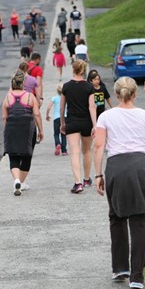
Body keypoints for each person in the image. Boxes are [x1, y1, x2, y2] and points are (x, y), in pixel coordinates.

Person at [93, 76, 145, 289]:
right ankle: (137, 276)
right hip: (140, 165)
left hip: (116, 167)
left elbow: (98, 147)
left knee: (116, 215)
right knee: (139, 220)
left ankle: (120, 267)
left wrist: (98, 175)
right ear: (135, 94)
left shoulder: (105, 116)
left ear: (116, 94)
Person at [2, 70, 43, 196]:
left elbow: (4, 117)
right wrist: (41, 130)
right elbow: (36, 114)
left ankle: (16, 180)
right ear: (23, 83)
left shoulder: (7, 97)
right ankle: (22, 182)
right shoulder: (30, 96)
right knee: (26, 155)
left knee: (13, 156)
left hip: (11, 127)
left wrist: (7, 130)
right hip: (28, 128)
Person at [60, 60, 97, 194]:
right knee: (86, 150)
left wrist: (63, 123)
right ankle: (87, 179)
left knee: (74, 152)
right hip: (86, 122)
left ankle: (78, 183)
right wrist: (95, 125)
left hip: (72, 122)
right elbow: (92, 107)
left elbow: (62, 107)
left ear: (73, 69)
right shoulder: (89, 87)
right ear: (83, 70)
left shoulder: (66, 86)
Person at [46, 84, 68, 156]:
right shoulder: (67, 98)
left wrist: (47, 115)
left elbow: (49, 107)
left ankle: (58, 144)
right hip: (65, 118)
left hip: (56, 118)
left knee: (56, 134)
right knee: (64, 134)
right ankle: (64, 151)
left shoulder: (54, 98)